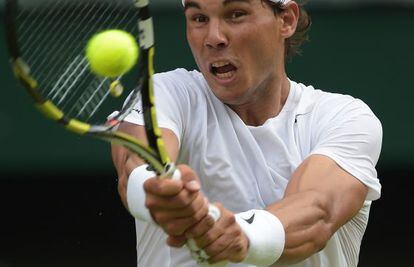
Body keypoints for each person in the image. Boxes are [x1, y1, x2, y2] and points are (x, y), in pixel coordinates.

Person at [111, 0, 383, 266]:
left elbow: (317, 211)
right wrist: (157, 192)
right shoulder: (164, 94)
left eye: (236, 14)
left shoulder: (344, 118)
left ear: (286, 19)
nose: (213, 37)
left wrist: (242, 237)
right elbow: (135, 164)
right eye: (199, 19)